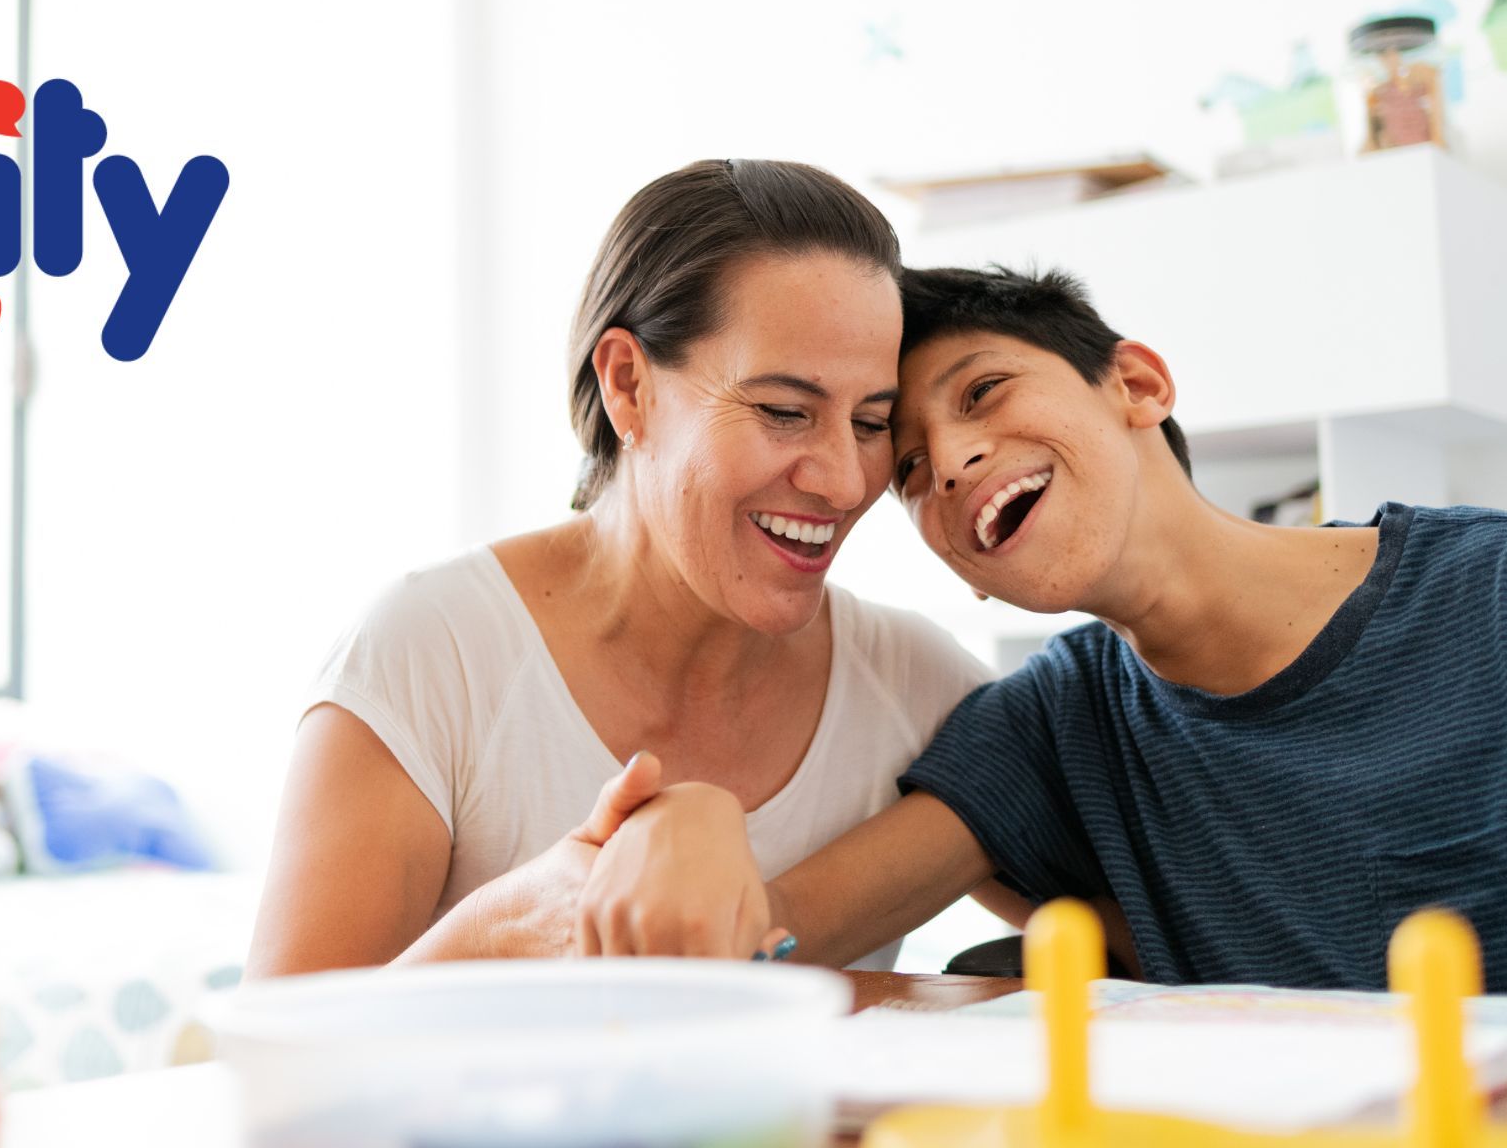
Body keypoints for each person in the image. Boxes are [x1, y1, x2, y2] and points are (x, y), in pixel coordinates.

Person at [582, 264, 1507, 1011]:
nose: (955, 461)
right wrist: (686, 817)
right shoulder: (1050, 724)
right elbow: (765, 940)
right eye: (912, 471)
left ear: (1135, 381)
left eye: (983, 392)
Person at [244, 161, 999, 978]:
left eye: (871, 422)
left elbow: (1128, 921)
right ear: (628, 385)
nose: (846, 481)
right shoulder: (433, 654)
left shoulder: (914, 688)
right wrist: (503, 928)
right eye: (784, 412)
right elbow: (269, 1070)